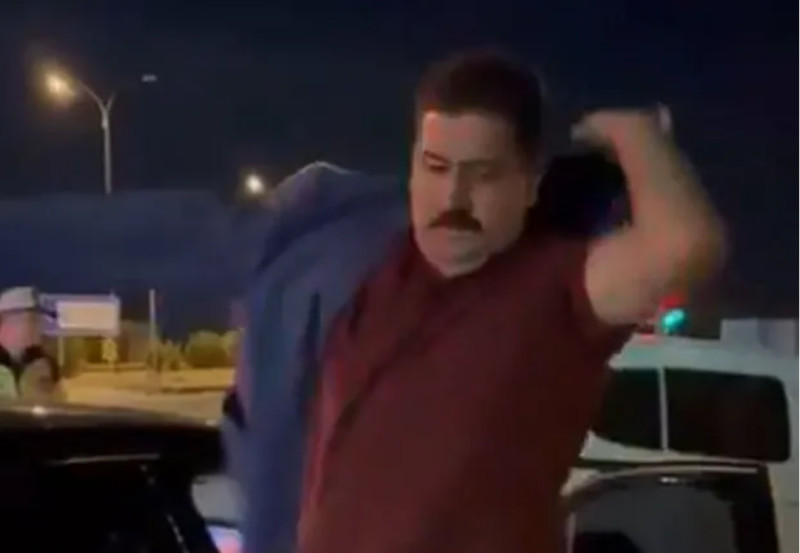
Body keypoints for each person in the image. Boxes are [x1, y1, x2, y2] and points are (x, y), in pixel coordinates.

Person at [229, 50, 725, 553]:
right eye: (436, 167)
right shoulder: (361, 272)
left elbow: (685, 244)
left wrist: (632, 132)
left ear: (530, 185)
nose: (454, 198)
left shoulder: (553, 285)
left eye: (483, 174)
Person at [0, 286, 64, 402]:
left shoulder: (47, 365)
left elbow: (60, 405)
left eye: (40, 320)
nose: (39, 328)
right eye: (31, 320)